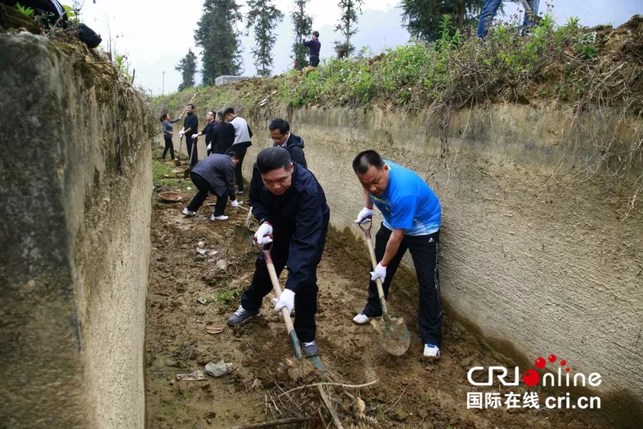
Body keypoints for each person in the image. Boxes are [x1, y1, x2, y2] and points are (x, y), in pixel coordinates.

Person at [226, 147, 330, 357]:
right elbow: (255, 199)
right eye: (269, 181)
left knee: (305, 280)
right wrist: (265, 221)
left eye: (282, 180)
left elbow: (305, 243)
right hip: (277, 223)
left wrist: (290, 289)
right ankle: (250, 306)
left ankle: (305, 335)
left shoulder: (307, 189)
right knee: (264, 268)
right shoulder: (259, 172)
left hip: (309, 228)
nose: (276, 186)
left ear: (291, 168)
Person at [352, 150, 443, 360]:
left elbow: (397, 236)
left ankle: (432, 338)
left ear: (386, 168)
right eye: (366, 183)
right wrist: (368, 208)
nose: (373, 188)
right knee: (375, 270)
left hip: (422, 227)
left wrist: (384, 264)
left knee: (428, 281)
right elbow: (369, 186)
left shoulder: (403, 191)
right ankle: (373, 308)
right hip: (394, 222)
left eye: (376, 182)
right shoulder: (371, 175)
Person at [182, 151, 240, 221]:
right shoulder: (229, 163)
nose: (235, 165)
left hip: (194, 173)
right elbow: (229, 183)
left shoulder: (218, 156)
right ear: (233, 158)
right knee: (224, 192)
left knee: (203, 192)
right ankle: (218, 215)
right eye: (236, 163)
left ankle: (189, 210)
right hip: (205, 175)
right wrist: (233, 199)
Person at [223, 107, 253, 194]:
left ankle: (232, 187)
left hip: (236, 146)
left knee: (230, 166)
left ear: (229, 115)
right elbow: (250, 133)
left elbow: (228, 138)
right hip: (245, 145)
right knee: (238, 167)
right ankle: (239, 187)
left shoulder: (232, 123)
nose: (227, 120)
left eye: (226, 118)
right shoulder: (243, 120)